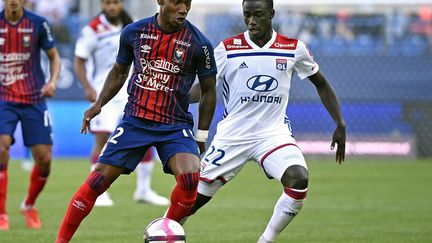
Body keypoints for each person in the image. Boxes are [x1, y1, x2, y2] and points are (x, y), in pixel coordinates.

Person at [184, 0, 346, 242]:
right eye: (247, 15)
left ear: (271, 14)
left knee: (298, 178)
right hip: (232, 136)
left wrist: (339, 123)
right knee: (192, 200)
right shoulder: (228, 48)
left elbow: (320, 83)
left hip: (273, 134)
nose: (251, 21)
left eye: (258, 15)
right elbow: (206, 88)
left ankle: (266, 240)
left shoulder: (293, 48)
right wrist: (177, 100)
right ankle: (165, 229)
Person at [55, 0, 216, 242]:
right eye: (176, 2)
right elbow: (119, 71)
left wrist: (201, 135)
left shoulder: (199, 44)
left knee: (191, 178)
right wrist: (98, 104)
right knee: (97, 180)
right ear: (161, 1)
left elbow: (209, 90)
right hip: (135, 121)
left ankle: (165, 231)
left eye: (187, 2)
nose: (183, 9)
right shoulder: (134, 32)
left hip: (175, 124)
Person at [74, 0, 168, 207]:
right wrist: (88, 87)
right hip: (104, 90)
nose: (112, 7)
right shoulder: (92, 30)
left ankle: (143, 190)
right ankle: (97, 192)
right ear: (102, 5)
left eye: (115, 2)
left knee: (144, 134)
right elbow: (79, 60)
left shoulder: (131, 24)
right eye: (108, 3)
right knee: (102, 138)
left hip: (130, 91)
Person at [0, 0, 61, 230]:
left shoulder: (37, 23)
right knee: (1, 146)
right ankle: (1, 213)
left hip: (34, 98)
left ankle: (28, 205)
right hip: (4, 99)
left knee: (44, 159)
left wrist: (52, 81)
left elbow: (54, 57)